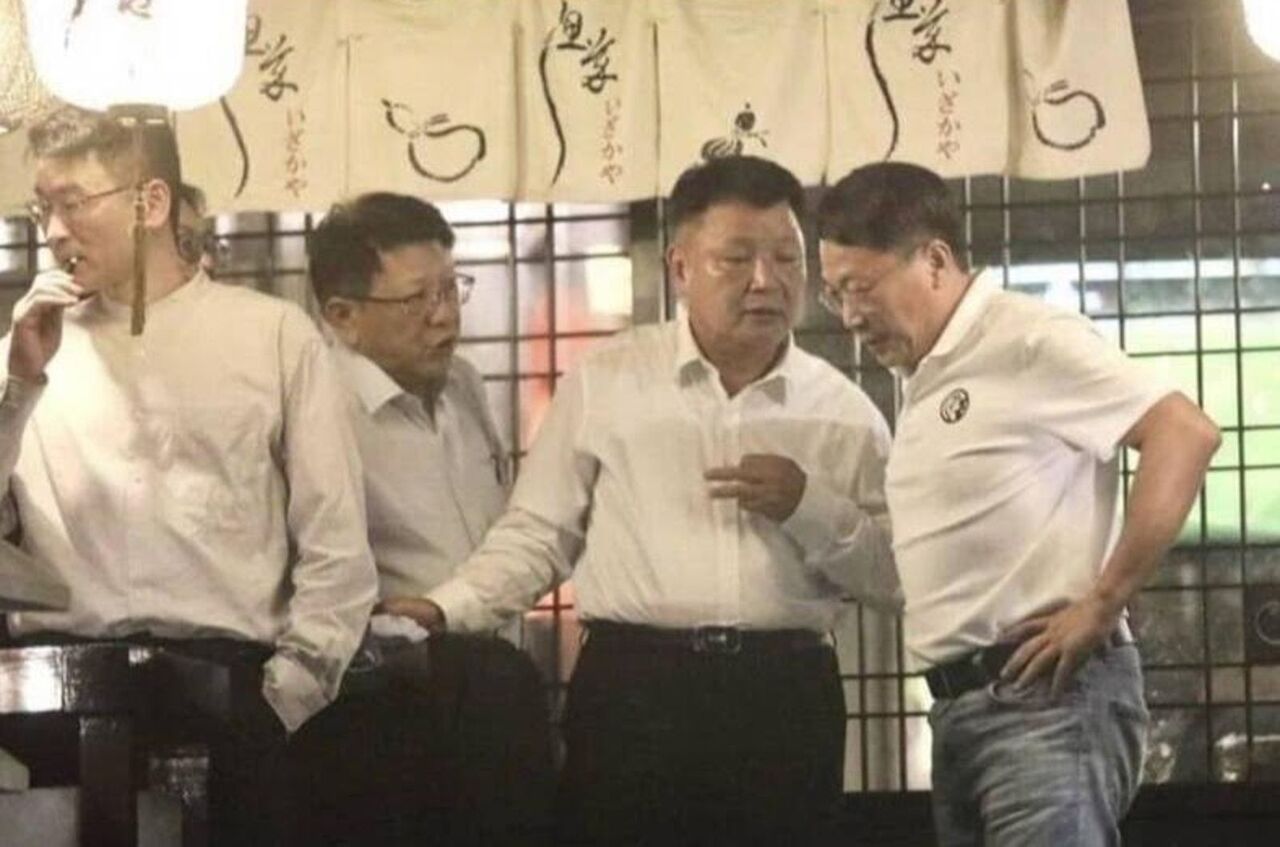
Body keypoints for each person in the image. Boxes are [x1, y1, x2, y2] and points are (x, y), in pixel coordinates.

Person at [382, 155, 898, 846]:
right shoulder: (609, 381)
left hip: (785, 692)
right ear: (680, 268)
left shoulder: (845, 412)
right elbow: (539, 534)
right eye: (736, 259)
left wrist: (809, 506)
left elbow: (896, 577)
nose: (765, 280)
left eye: (786, 258)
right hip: (637, 688)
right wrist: (445, 606)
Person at [0, 107, 376, 844]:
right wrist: (18, 388)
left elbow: (336, 542)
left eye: (74, 202)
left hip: (231, 689)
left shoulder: (271, 335)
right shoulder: (27, 348)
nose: (54, 231)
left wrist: (285, 697)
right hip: (61, 690)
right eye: (43, 208)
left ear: (151, 202)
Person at [816, 161, 1221, 845]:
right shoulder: (924, 374)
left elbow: (1184, 432)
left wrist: (1103, 601)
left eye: (861, 287)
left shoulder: (1026, 338)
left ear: (934, 261)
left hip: (1045, 701)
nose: (852, 316)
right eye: (834, 296)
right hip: (961, 710)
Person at [295, 191, 554, 846]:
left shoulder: (464, 383)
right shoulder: (312, 409)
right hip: (382, 710)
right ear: (343, 316)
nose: (445, 316)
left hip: (493, 693)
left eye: (451, 289)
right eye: (417, 299)